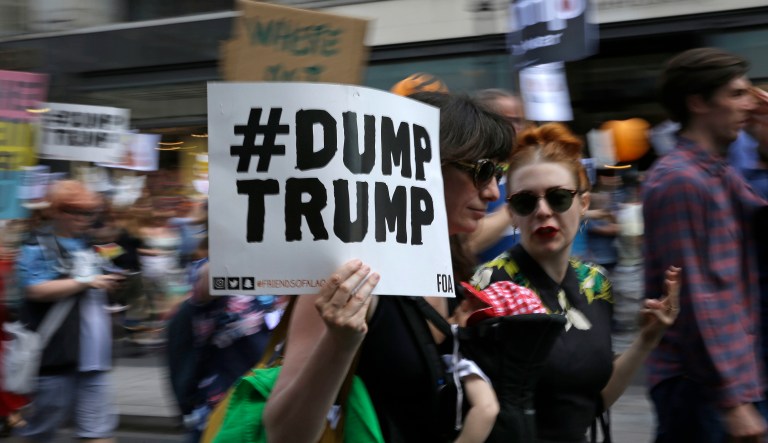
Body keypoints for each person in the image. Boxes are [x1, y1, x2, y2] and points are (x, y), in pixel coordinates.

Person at [262, 91, 516, 442]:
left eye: (498, 174)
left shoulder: (446, 263)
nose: (492, 192)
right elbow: (284, 433)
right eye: (483, 171)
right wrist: (340, 343)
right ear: (424, 165)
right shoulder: (350, 271)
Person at [469, 123, 681, 442]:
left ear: (583, 204)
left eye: (558, 198)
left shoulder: (595, 282)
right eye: (526, 202)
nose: (543, 211)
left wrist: (647, 339)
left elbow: (590, 403)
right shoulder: (489, 285)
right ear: (512, 212)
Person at [643, 47, 768, 443]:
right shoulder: (682, 180)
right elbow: (694, 297)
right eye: (736, 94)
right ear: (698, 102)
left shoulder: (717, 172)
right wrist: (732, 401)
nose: (749, 105)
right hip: (702, 386)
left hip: (728, 378)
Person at [15, 180, 124, 443]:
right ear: (57, 212)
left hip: (93, 356)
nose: (86, 219)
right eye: (79, 213)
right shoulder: (39, 245)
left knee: (97, 433)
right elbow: (34, 289)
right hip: (57, 356)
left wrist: (111, 283)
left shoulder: (86, 243)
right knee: (41, 434)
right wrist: (84, 283)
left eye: (89, 213)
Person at [467, 89, 531, 262]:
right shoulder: (471, 175)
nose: (518, 128)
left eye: (519, 121)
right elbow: (468, 243)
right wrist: (516, 205)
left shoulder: (522, 170)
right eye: (508, 121)